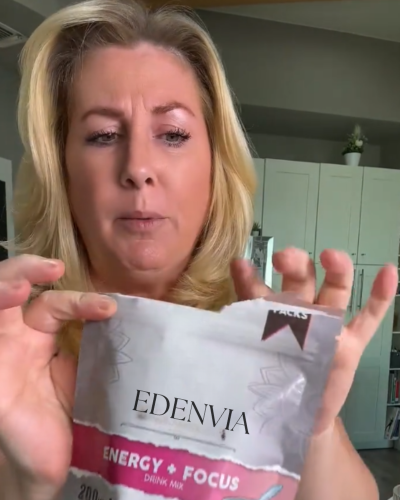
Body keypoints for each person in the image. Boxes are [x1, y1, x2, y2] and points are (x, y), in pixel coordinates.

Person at [0, 1, 397, 499]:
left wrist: (310, 430)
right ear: (62, 171)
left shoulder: (267, 345)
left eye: (173, 134)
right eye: (103, 135)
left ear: (215, 167)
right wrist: (31, 484)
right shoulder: (17, 358)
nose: (138, 167)